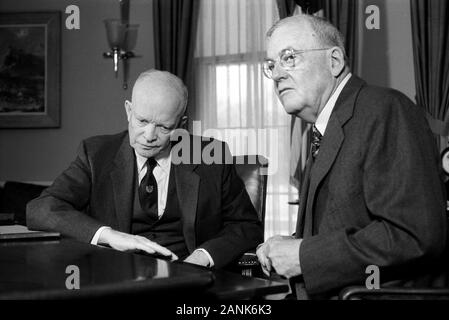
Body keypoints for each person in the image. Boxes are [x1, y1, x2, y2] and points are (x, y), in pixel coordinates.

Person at [256, 14, 447, 299]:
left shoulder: (384, 109)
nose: (278, 74)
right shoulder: (326, 126)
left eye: (290, 57)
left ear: (334, 61)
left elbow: (416, 235)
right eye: (272, 65)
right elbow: (347, 227)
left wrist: (305, 255)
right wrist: (291, 246)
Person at [27, 69, 263, 269]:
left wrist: (201, 259)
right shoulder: (96, 154)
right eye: (141, 121)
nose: (149, 136)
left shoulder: (211, 156)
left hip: (190, 280)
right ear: (129, 111)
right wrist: (110, 236)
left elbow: (246, 226)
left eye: (163, 127)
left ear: (181, 124)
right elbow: (40, 209)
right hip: (117, 279)